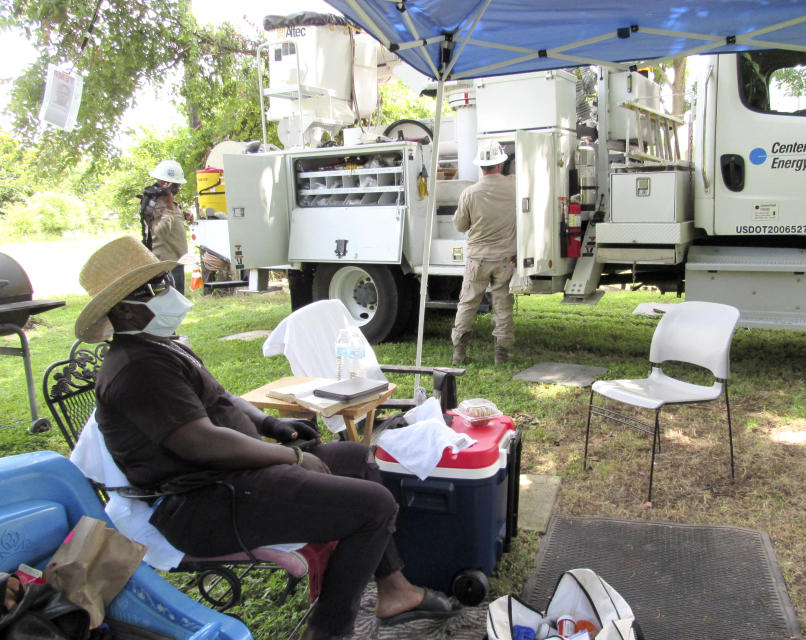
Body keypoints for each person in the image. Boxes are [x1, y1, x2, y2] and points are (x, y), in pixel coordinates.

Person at [74, 236, 455, 640]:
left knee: (355, 458)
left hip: (230, 481)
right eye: (152, 289)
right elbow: (199, 442)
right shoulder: (137, 369)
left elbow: (223, 399)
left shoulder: (159, 348)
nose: (169, 291)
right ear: (123, 312)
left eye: (166, 280)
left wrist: (269, 424)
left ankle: (395, 591)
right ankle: (328, 630)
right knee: (374, 505)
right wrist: (290, 459)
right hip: (202, 502)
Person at [451, 140, 517, 366]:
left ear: (481, 167)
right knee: (502, 304)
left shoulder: (469, 193)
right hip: (505, 258)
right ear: (501, 164)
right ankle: (502, 354)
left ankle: (459, 351)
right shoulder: (514, 186)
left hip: (477, 258)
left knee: (468, 303)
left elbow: (460, 226)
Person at [141, 160, 191, 294]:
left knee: (177, 306)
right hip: (166, 265)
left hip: (176, 261)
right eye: (177, 186)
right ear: (166, 183)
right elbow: (159, 234)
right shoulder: (156, 204)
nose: (178, 190)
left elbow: (172, 219)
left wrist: (182, 214)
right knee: (170, 308)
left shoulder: (168, 200)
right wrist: (169, 208)